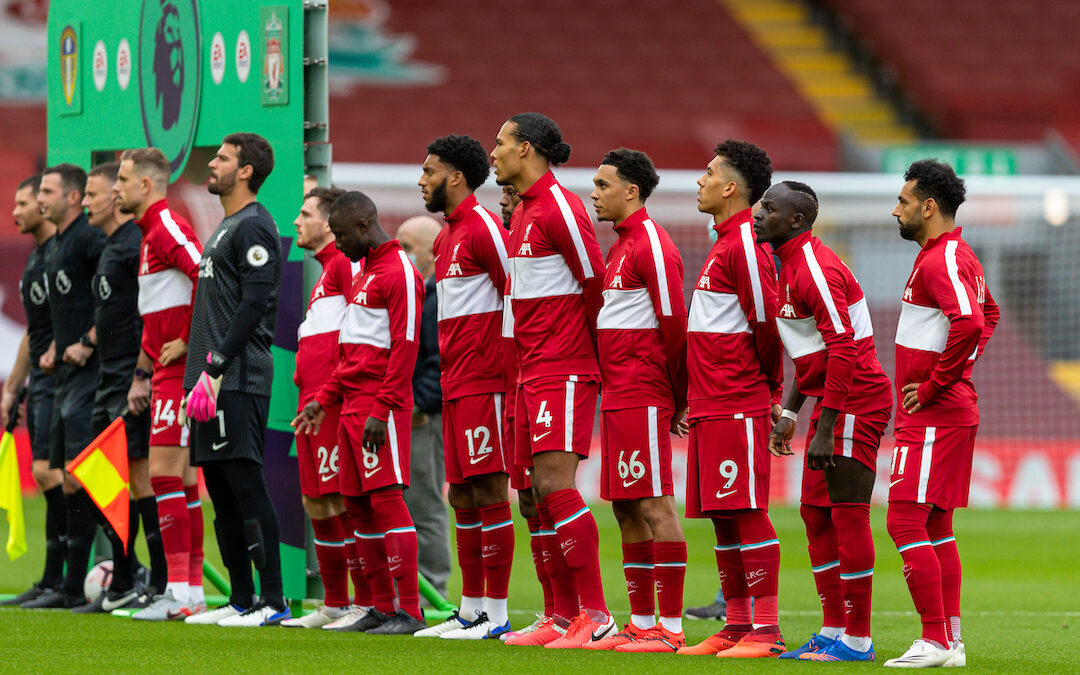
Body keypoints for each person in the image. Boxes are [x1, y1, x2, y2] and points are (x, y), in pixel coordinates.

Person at [756, 182, 893, 662]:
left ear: (796, 221)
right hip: (833, 399)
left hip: (858, 398)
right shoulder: (786, 265)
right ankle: (833, 629)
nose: (757, 214)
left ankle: (857, 640)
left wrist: (828, 424)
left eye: (768, 208)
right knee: (814, 514)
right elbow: (812, 354)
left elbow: (845, 348)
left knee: (848, 513)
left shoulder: (814, 266)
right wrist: (792, 411)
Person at [491, 112, 612, 648]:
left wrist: (591, 359)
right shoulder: (522, 215)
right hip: (530, 372)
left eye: (500, 143)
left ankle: (597, 614)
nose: (492, 152)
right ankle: (559, 616)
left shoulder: (560, 207)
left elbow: (595, 285)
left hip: (563, 366)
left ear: (527, 149)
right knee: (533, 496)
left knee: (556, 486)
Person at [294, 191, 426, 635]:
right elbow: (352, 354)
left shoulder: (400, 272)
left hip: (377, 407)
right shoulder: (366, 272)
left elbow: (405, 347)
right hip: (350, 405)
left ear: (364, 226)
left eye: (342, 235)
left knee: (387, 500)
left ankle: (410, 610)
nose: (340, 244)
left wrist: (382, 407)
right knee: (355, 504)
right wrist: (323, 399)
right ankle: (380, 606)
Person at [883, 159, 997, 668]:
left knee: (904, 520)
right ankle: (949, 643)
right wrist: (952, 373)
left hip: (935, 415)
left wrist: (933, 385)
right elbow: (987, 314)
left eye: (903, 202)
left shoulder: (942, 259)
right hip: (945, 412)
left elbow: (971, 323)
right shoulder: (953, 256)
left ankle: (933, 640)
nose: (896, 210)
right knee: (935, 524)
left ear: (929, 207)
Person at [678, 140, 786, 658]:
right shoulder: (724, 243)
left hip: (737, 397)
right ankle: (736, 625)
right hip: (709, 400)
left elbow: (767, 323)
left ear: (730, 187)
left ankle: (766, 629)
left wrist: (769, 391)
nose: (699, 182)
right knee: (723, 516)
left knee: (744, 510)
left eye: (707, 173)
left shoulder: (744, 242)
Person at [583, 148, 689, 653]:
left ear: (631, 191)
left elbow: (673, 324)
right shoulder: (621, 245)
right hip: (618, 393)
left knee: (653, 502)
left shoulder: (652, 244)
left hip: (645, 391)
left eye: (603, 185)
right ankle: (641, 621)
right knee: (625, 505)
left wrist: (679, 394)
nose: (594, 194)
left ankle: (669, 627)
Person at [183, 133, 289, 627]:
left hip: (237, 377)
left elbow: (254, 303)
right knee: (220, 489)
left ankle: (273, 600)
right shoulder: (226, 226)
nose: (212, 163)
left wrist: (217, 365)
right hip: (208, 382)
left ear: (245, 170)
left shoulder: (254, 227)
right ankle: (241, 598)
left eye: (222, 158)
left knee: (245, 483)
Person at [413, 135, 513, 640]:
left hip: (486, 381)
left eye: (429, 171)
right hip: (455, 383)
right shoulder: (445, 237)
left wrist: (507, 373)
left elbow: (514, 295)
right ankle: (470, 609)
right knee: (461, 496)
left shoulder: (486, 230)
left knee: (490, 489)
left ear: (455, 177)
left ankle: (496, 614)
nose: (421, 179)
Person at [112, 147, 206, 620]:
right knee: (183, 482)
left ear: (146, 185)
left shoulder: (167, 225)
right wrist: (145, 368)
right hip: (164, 371)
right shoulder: (150, 233)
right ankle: (189, 593)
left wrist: (189, 341)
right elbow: (164, 308)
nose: (116, 188)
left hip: (181, 372)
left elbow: (205, 273)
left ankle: (177, 595)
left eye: (123, 180)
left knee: (165, 475)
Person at [279, 186, 371, 628]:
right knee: (316, 500)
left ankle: (364, 601)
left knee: (341, 500)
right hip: (311, 404)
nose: (297, 221)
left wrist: (326, 394)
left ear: (330, 222)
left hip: (331, 404)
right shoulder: (326, 272)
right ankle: (334, 603)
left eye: (304, 213)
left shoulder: (346, 266)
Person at [21, 164, 106, 610]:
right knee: (60, 475)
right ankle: (63, 582)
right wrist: (58, 344)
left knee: (81, 475)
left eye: (46, 192)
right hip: (62, 375)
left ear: (72, 197)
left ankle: (93, 579)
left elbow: (112, 297)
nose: (38, 201)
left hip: (90, 372)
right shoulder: (55, 247)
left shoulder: (91, 239)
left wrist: (88, 341)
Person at [78, 161, 156, 612]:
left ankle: (144, 579)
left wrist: (141, 374)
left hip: (130, 378)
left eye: (93, 193)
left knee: (139, 480)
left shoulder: (136, 244)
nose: (87, 202)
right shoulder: (111, 247)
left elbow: (154, 310)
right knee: (96, 479)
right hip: (107, 378)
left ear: (115, 197)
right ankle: (129, 575)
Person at [1, 174, 64, 608]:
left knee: (60, 473)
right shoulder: (37, 259)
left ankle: (72, 578)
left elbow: (81, 314)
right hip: (40, 380)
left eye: (28, 201)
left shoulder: (66, 253)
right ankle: (52, 579)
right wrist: (12, 389)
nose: (17, 210)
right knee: (46, 473)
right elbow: (32, 333)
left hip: (66, 379)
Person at [396, 215, 453, 610]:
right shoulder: (420, 293)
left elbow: (439, 360)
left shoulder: (438, 297)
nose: (400, 255)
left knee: (425, 502)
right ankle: (410, 588)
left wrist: (421, 403)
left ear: (430, 252)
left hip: (423, 416)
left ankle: (433, 590)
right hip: (409, 412)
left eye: (407, 247)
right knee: (408, 501)